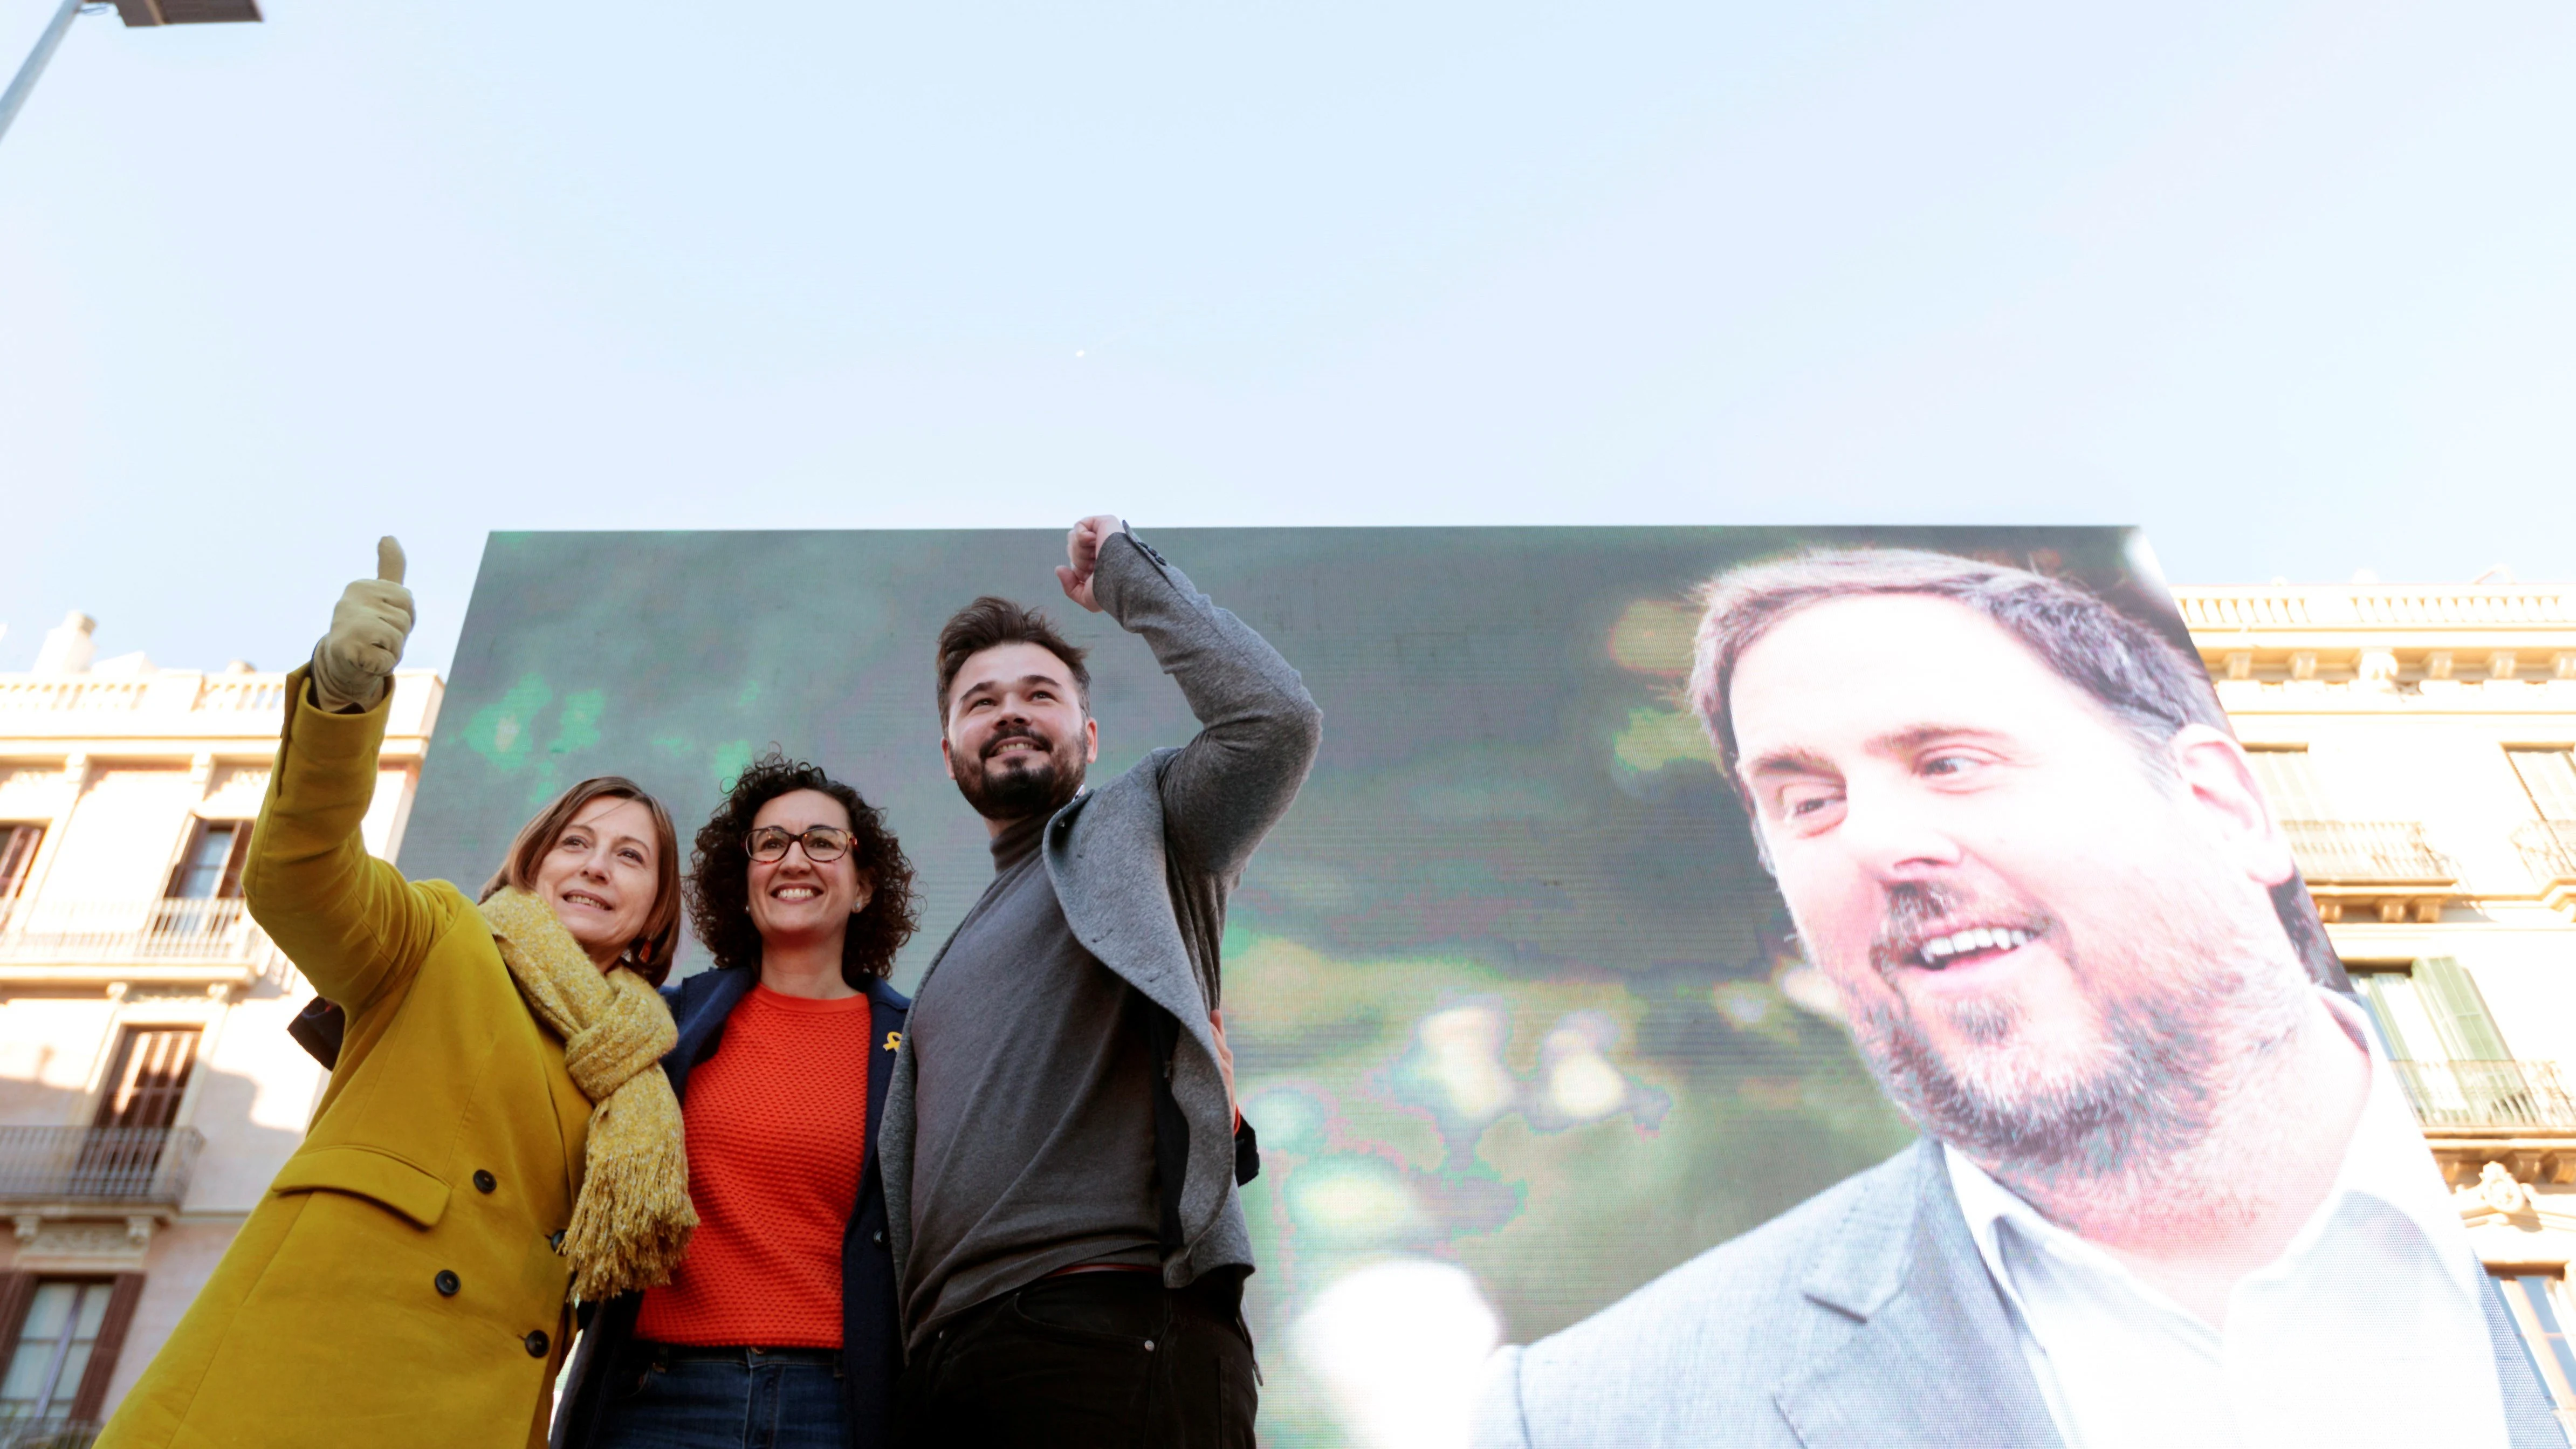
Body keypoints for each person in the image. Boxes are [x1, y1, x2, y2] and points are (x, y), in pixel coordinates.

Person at [1472, 547, 2568, 1449]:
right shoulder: (1603, 1417)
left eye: (1950, 761)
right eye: (1806, 800)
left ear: (2224, 802)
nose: (1879, 840)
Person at [100, 539, 695, 1449]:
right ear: (531, 867)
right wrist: (342, 704)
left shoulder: (641, 1070)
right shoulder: (443, 935)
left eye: (630, 856)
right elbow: (305, 877)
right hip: (310, 1373)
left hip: (484, 1410)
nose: (596, 866)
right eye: (576, 842)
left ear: (656, 914)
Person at [884, 516, 1322, 1448]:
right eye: (980, 700)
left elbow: (1275, 719)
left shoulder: (1153, 827)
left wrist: (1127, 576)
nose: (1008, 710)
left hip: (1113, 1336)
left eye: (1038, 694)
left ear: (1086, 732)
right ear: (949, 749)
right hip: (951, 1371)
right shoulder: (945, 963)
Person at [554, 753, 919, 1449]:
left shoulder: (916, 1046)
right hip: (656, 1399)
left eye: (822, 842)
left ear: (864, 884)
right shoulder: (659, 1025)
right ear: (743, 880)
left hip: (836, 1409)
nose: (794, 860)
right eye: (770, 843)